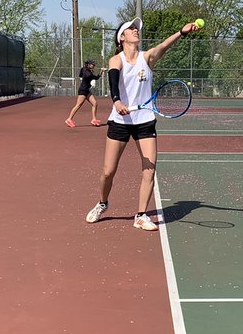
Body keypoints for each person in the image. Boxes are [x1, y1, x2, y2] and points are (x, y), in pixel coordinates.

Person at [84, 16, 201, 231]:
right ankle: (103, 203)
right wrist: (117, 101)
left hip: (144, 121)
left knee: (149, 169)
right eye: (131, 29)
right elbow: (113, 79)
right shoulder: (115, 60)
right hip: (120, 121)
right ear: (122, 37)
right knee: (108, 172)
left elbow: (164, 45)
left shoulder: (147, 58)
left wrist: (182, 32)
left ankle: (141, 215)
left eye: (136, 29)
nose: (136, 31)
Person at [65, 60, 101, 127]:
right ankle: (69, 119)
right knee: (78, 105)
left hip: (86, 90)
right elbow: (96, 78)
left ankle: (94, 119)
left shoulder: (83, 69)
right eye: (92, 65)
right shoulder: (89, 74)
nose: (94, 66)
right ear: (89, 65)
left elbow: (80, 75)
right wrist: (101, 72)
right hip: (83, 91)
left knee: (95, 103)